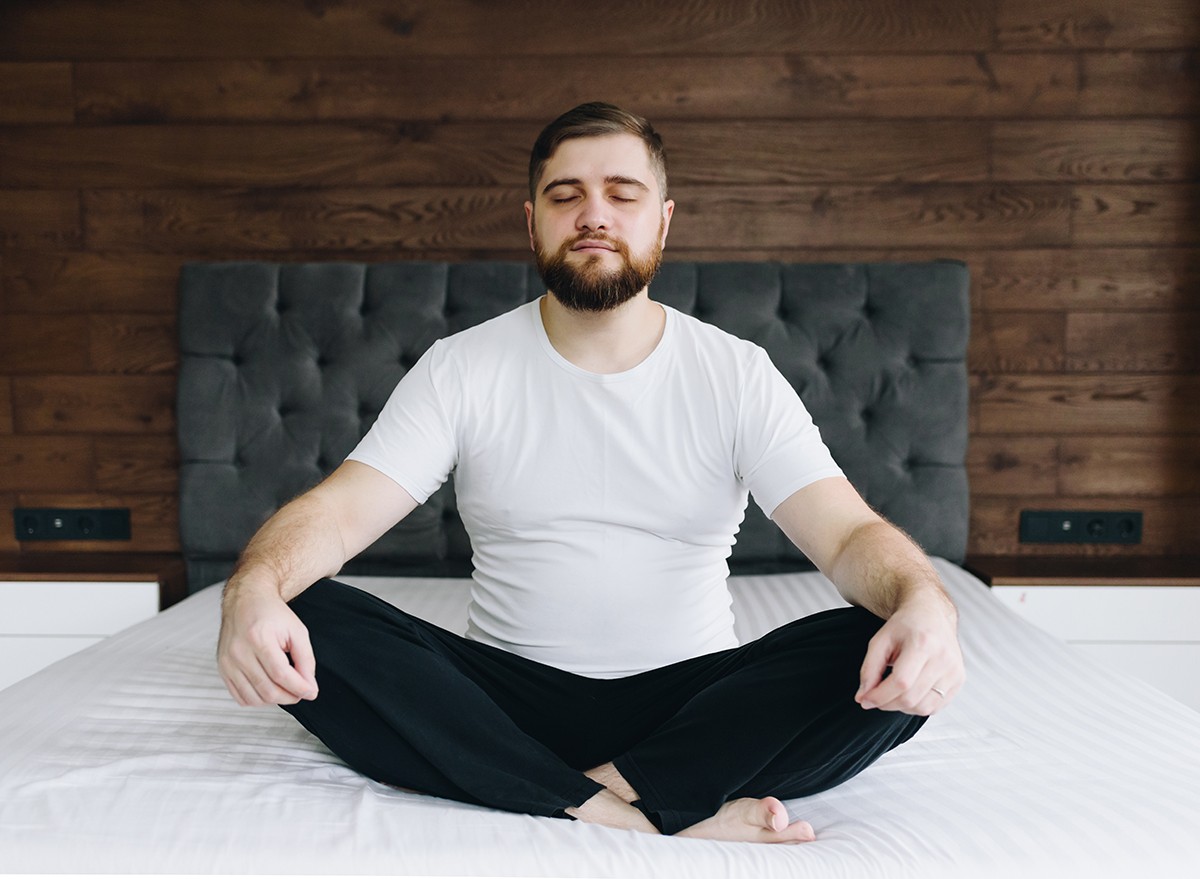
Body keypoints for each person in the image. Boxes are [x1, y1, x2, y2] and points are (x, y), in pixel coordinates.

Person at [216, 101, 965, 844]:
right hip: (502, 696)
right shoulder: (462, 368)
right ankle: (642, 801)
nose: (592, 214)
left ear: (662, 220)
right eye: (565, 196)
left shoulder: (736, 372)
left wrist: (925, 603)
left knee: (891, 645)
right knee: (307, 609)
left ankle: (555, 786)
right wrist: (251, 588)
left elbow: (847, 538)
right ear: (532, 222)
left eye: (622, 194)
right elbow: (340, 513)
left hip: (696, 700)